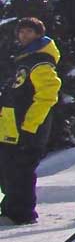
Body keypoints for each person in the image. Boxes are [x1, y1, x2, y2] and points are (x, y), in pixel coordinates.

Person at [0, 17, 62, 226]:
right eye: (21, 31)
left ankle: (21, 213)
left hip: (28, 127)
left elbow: (47, 95)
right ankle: (11, 210)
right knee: (8, 170)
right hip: (11, 126)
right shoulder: (23, 60)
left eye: (29, 31)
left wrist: (30, 126)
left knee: (21, 170)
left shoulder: (40, 61)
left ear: (38, 34)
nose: (24, 35)